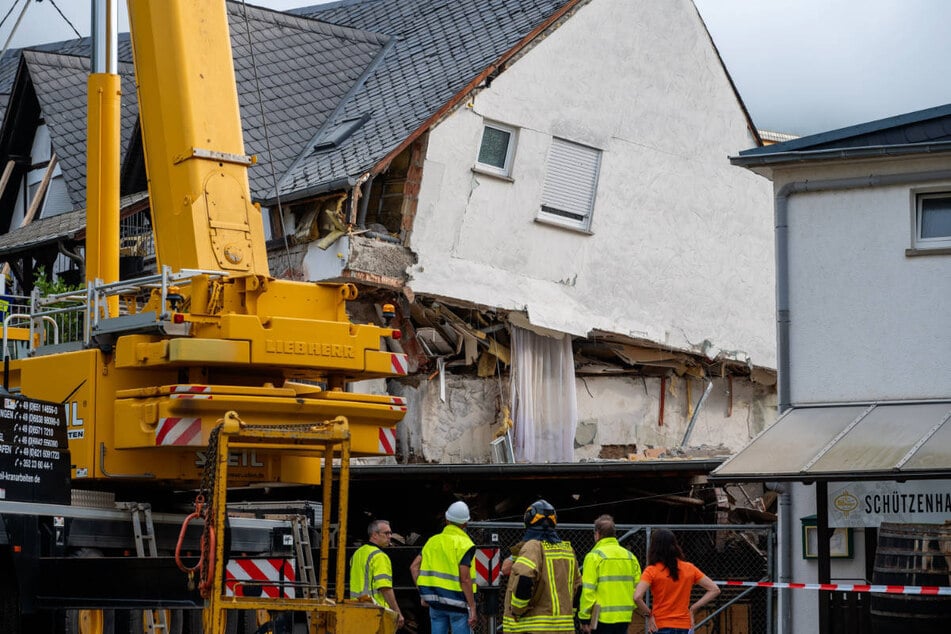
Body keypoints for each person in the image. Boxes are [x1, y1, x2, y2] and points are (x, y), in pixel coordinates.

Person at [502, 499, 581, 633]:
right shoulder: (568, 550)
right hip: (564, 627)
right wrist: (570, 612)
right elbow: (578, 586)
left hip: (533, 628)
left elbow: (524, 579)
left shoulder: (533, 547)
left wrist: (517, 610)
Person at [634, 528, 720, 634]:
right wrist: (693, 608)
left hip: (660, 624)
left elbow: (637, 597)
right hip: (684, 625)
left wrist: (649, 614)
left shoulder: (651, 570)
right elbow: (714, 589)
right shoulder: (689, 568)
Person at [410, 501, 478, 633]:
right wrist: (472, 608)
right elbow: (465, 579)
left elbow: (413, 567)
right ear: (465, 523)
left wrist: (423, 594)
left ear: (446, 520)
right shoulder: (465, 544)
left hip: (436, 604)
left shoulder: (432, 541)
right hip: (458, 605)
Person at [578, 514, 642, 633]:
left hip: (600, 619)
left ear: (597, 534)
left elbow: (588, 591)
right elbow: (637, 588)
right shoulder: (630, 557)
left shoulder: (594, 557)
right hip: (624, 617)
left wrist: (584, 618)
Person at [349, 519, 405, 630]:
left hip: (356, 608)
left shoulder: (358, 553)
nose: (390, 536)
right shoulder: (379, 556)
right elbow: (385, 588)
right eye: (386, 533)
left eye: (390, 533)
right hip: (376, 611)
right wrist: (397, 612)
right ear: (374, 535)